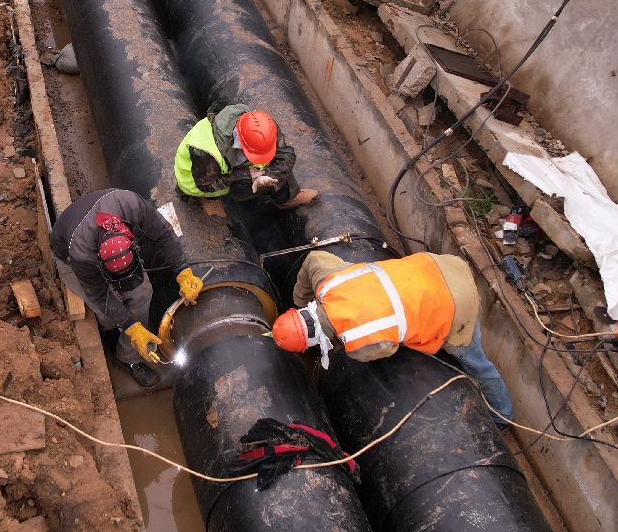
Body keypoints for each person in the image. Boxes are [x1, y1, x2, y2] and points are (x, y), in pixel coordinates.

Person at [271, 250, 513, 423]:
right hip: (439, 265)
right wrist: (301, 299)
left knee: (477, 364)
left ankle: (502, 416)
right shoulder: (327, 280)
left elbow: (388, 347)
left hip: (455, 304)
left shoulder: (359, 344)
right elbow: (314, 258)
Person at [50, 188, 203, 387]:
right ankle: (111, 336)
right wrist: (131, 328)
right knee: (106, 317)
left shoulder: (131, 204)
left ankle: (127, 358)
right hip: (66, 257)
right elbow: (100, 295)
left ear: (130, 243)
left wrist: (183, 272)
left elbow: (164, 234)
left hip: (97, 228)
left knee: (142, 297)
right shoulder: (81, 254)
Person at [173, 103, 318, 210]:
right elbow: (206, 185)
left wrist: (270, 176)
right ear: (241, 143)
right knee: (213, 189)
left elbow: (286, 153)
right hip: (200, 181)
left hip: (227, 170)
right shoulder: (207, 152)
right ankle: (209, 200)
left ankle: (286, 198)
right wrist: (245, 174)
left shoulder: (263, 127)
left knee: (281, 170)